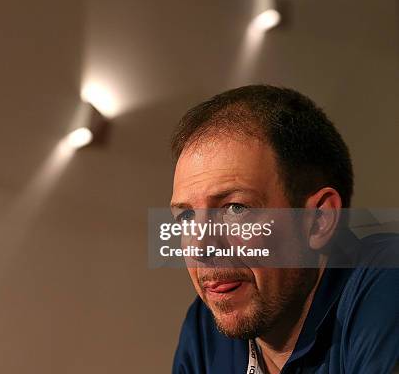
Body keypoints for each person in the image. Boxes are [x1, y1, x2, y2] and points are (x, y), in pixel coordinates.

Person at [170, 85, 399, 373]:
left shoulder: (387, 280)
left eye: (236, 208)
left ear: (318, 221)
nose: (201, 248)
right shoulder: (206, 326)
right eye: (187, 217)